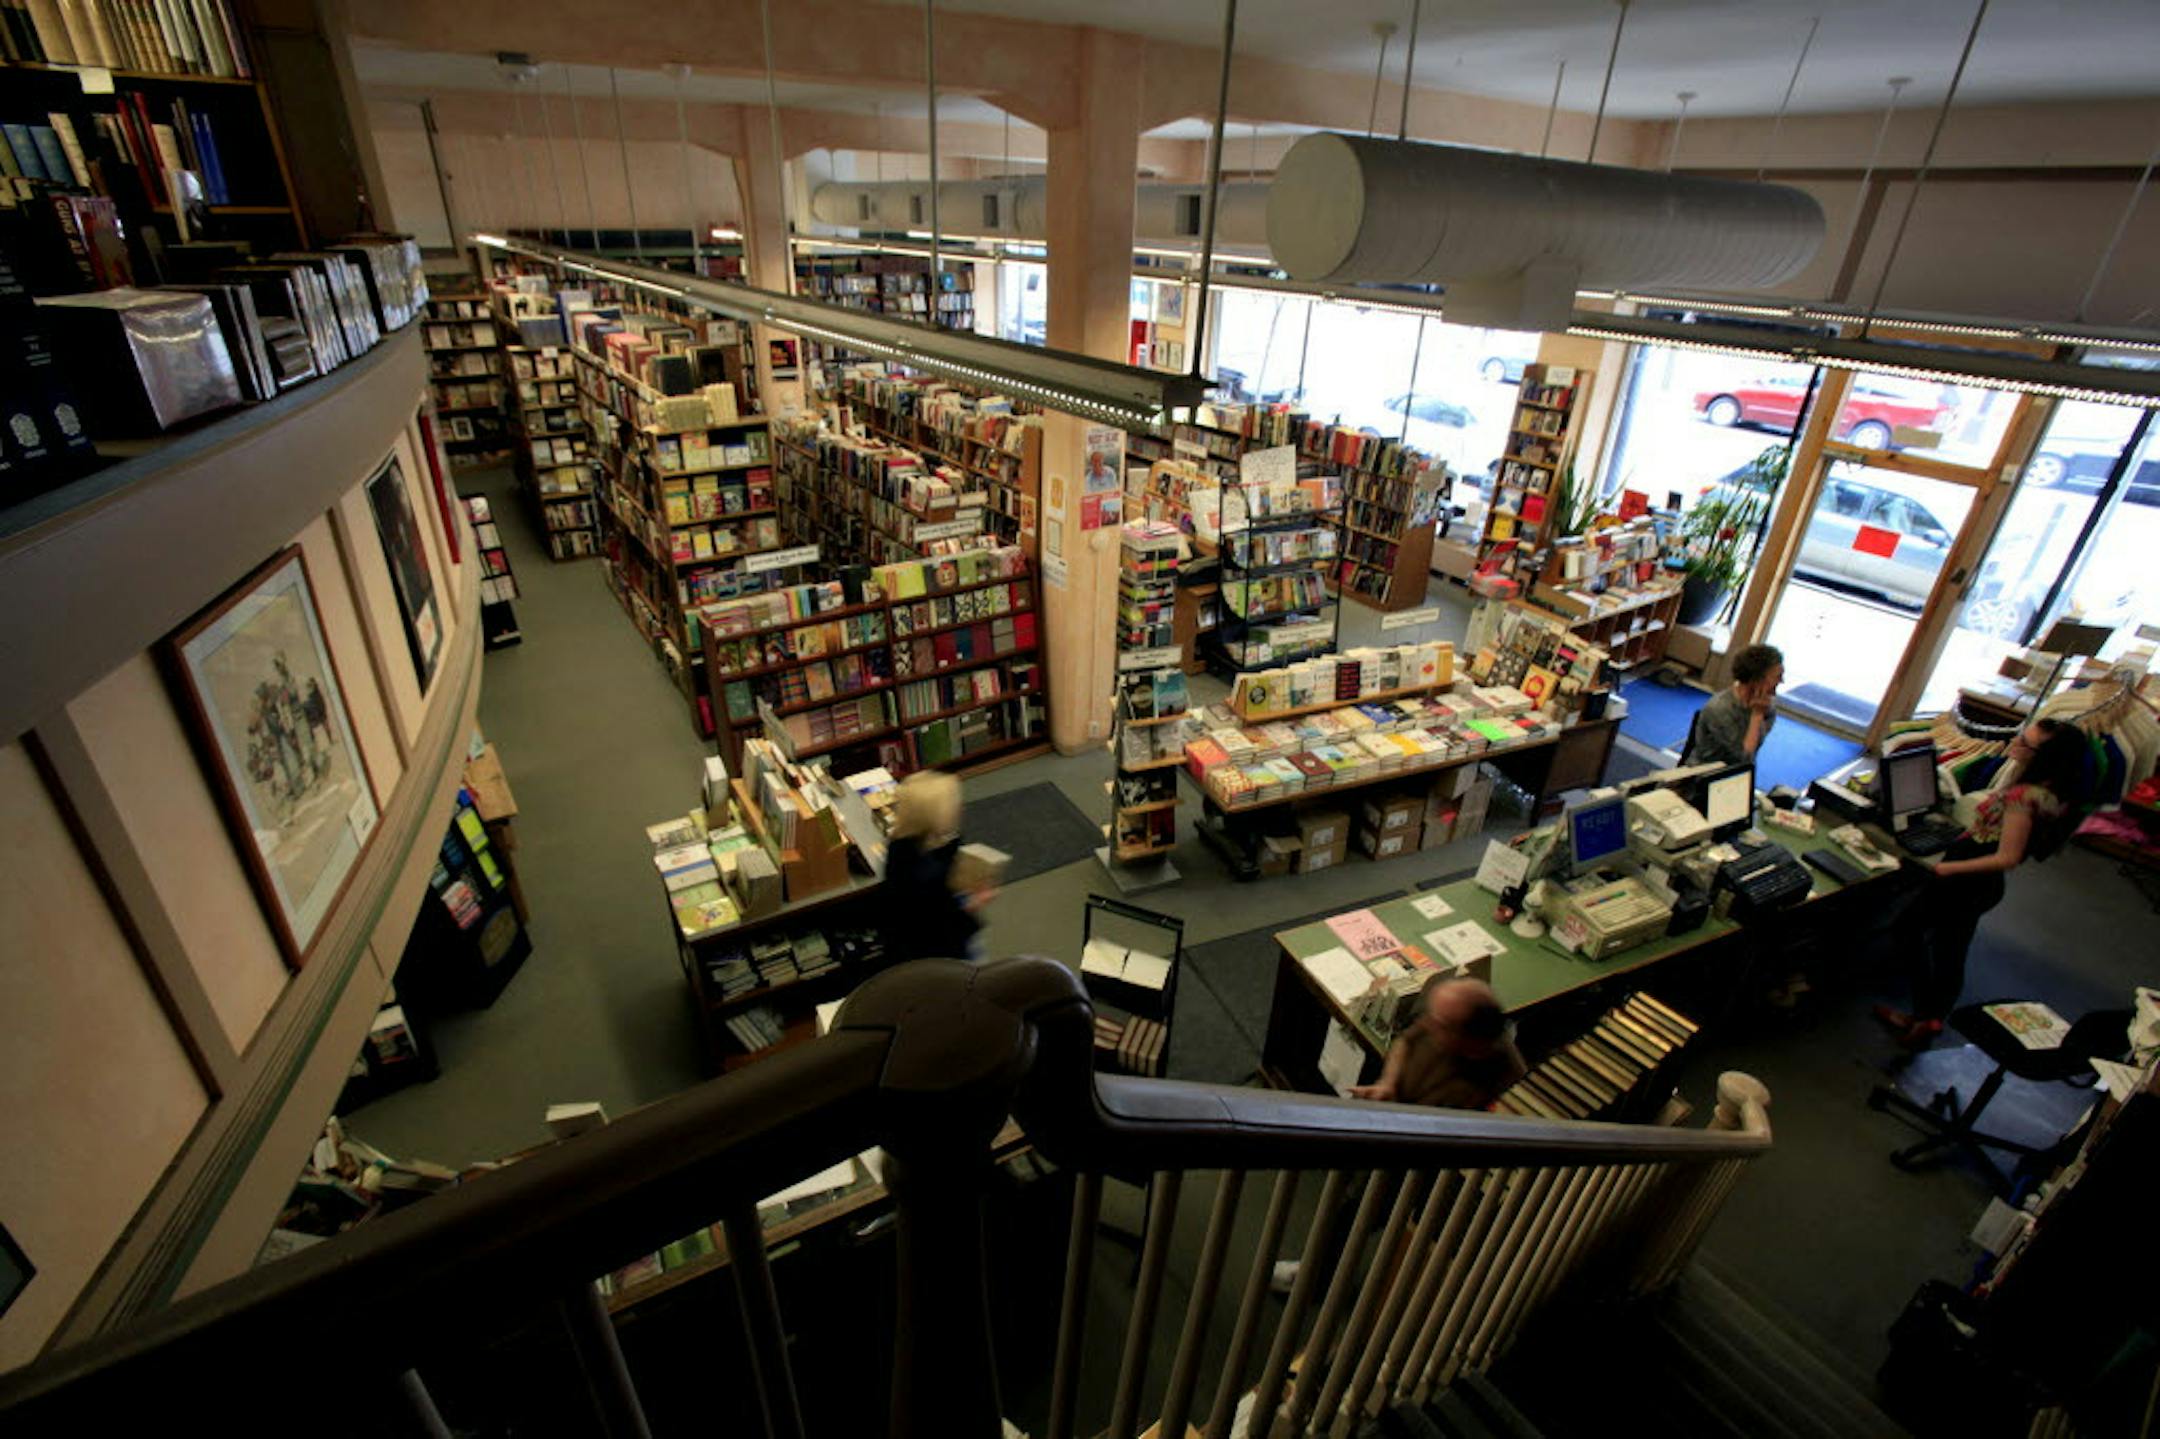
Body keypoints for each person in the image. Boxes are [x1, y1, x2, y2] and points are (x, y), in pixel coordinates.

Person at [1874, 720, 2089, 1049]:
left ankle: (1923, 1017)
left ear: (2044, 757)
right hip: (1980, 887)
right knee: (1951, 951)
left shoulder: (2022, 796)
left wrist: (1949, 869)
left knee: (1910, 932)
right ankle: (1929, 1018)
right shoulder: (2051, 793)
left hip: (1965, 884)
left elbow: (2008, 857)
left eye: (2026, 743)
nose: (2016, 743)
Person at [1351, 975, 1527, 1111]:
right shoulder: (1440, 1021)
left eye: (1439, 1023)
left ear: (1468, 1037)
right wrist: (1387, 1084)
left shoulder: (1505, 1088)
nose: (1427, 1024)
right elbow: (1404, 1041)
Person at [878, 771, 992, 964]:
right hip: (941, 953)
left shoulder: (900, 844)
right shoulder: (927, 876)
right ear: (935, 816)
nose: (960, 808)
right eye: (953, 806)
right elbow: (949, 924)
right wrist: (975, 901)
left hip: (911, 942)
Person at [1682, 643, 1784, 768]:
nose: (1781, 681)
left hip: (1732, 774)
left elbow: (1753, 750)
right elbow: (1744, 760)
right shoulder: (1720, 709)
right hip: (1703, 774)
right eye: (1777, 676)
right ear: (1756, 678)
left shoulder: (1767, 706)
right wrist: (1757, 716)